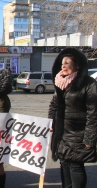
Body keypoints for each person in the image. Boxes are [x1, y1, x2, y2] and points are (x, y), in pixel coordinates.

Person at [48, 48, 97, 188]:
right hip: (61, 132)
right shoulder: (60, 82)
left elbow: (93, 112)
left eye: (67, 63)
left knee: (75, 164)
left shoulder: (89, 84)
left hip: (78, 132)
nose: (63, 66)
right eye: (62, 63)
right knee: (64, 163)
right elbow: (54, 104)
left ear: (78, 65)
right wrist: (50, 122)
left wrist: (90, 137)